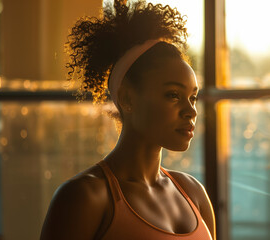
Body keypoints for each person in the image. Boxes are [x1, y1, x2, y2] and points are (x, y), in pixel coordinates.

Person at [40, 0, 215, 239]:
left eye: (193, 97)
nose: (191, 111)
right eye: (173, 95)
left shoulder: (194, 193)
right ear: (126, 98)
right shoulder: (84, 197)